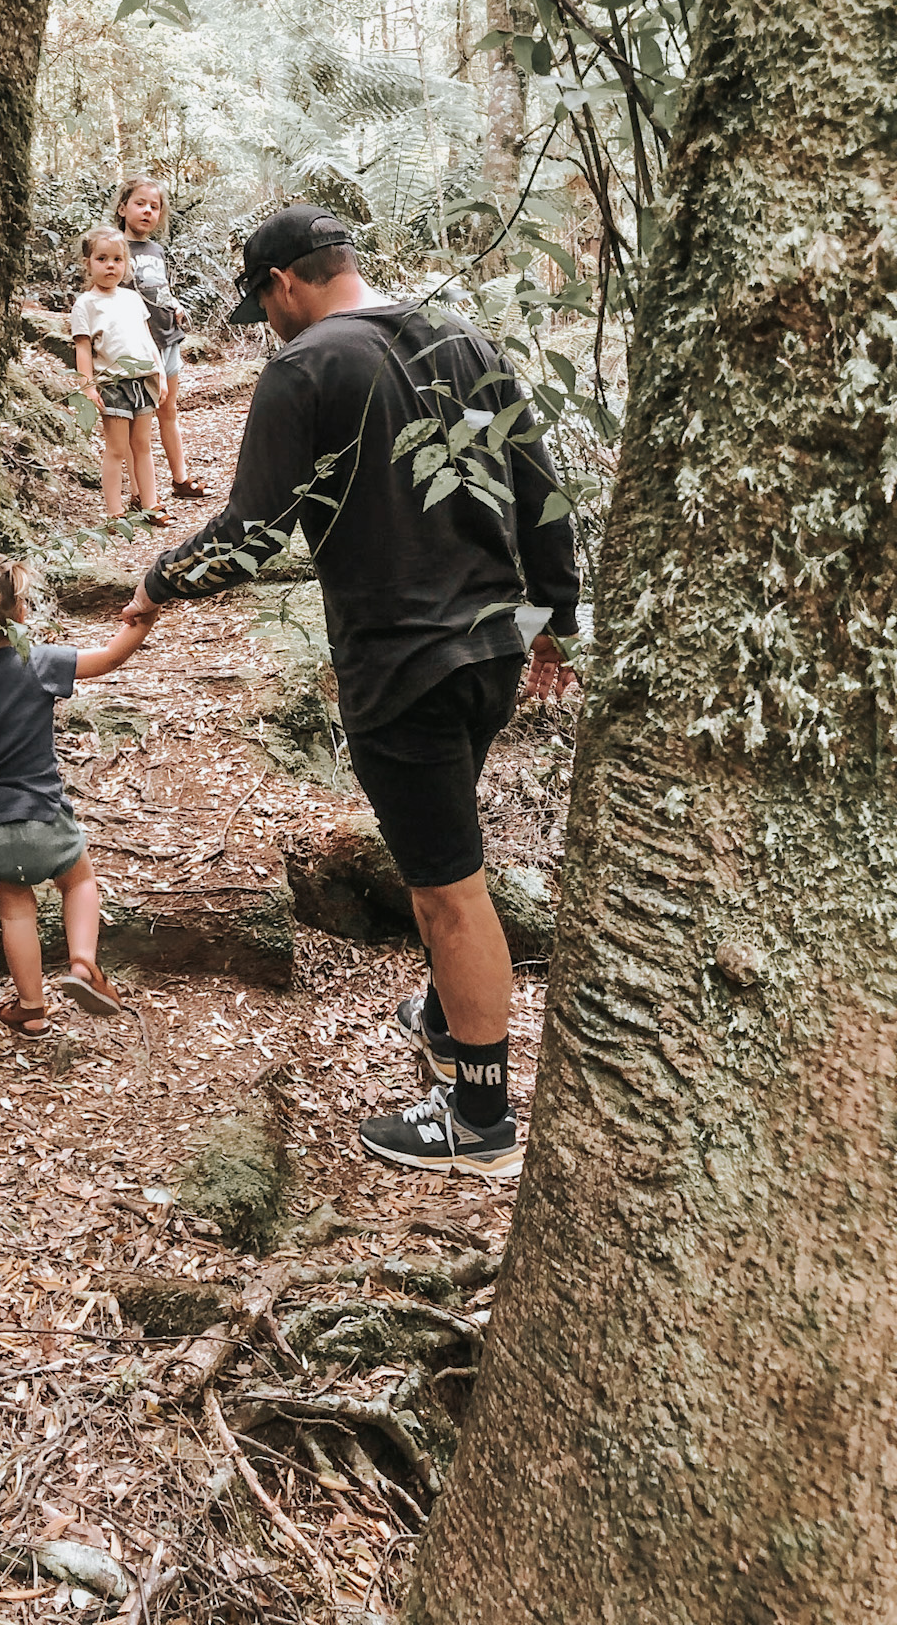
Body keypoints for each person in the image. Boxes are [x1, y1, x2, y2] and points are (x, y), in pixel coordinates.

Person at [122, 204, 580, 1177]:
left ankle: (479, 1116)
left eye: (264, 303)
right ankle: (453, 1013)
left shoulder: (307, 367)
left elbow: (253, 530)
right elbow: (540, 486)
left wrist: (159, 581)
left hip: (402, 663)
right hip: (495, 647)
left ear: (287, 282)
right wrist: (561, 617)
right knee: (441, 854)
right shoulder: (464, 336)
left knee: (451, 889)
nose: (268, 322)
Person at [0, 559, 153, 1035]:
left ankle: (31, 1009)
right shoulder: (36, 661)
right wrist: (142, 623)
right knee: (78, 881)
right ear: (18, 613)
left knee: (14, 907)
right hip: (43, 812)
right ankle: (82, 964)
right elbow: (108, 660)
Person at [112, 174, 210, 503]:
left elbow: (161, 289)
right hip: (137, 347)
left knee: (169, 413)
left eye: (155, 207)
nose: (147, 211)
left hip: (168, 338)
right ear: (123, 208)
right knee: (139, 422)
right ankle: (140, 493)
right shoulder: (115, 248)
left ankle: (180, 479)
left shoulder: (156, 249)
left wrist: (176, 305)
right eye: (140, 204)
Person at [70, 224, 171, 526]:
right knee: (115, 449)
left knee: (142, 445)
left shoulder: (131, 299)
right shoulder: (85, 304)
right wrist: (87, 386)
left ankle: (150, 504)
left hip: (144, 380)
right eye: (102, 259)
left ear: (125, 263)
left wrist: (161, 373)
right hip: (113, 384)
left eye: (117, 259)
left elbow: (146, 338)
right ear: (88, 263)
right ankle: (115, 512)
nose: (110, 266)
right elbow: (83, 349)